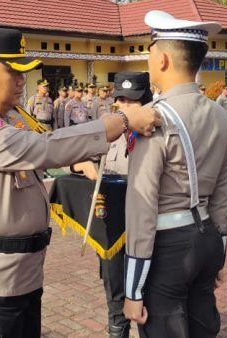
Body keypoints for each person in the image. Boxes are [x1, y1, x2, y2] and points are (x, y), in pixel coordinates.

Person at [0, 27, 161, 338]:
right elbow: (45, 147)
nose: (23, 81)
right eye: (14, 73)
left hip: (23, 276)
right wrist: (124, 121)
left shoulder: (9, 116)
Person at [123, 10, 227, 338]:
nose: (149, 61)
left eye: (151, 54)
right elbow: (222, 198)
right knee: (203, 328)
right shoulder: (220, 115)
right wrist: (218, 257)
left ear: (164, 60)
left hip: (169, 246)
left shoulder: (153, 118)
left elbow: (141, 208)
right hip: (208, 239)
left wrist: (132, 291)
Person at [74, 72, 154, 338]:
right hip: (113, 225)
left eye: (131, 101)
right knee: (115, 289)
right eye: (120, 99)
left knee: (148, 292)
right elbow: (73, 153)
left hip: (146, 226)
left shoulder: (157, 132)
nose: (124, 106)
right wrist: (80, 164)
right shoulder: (109, 129)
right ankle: (117, 330)